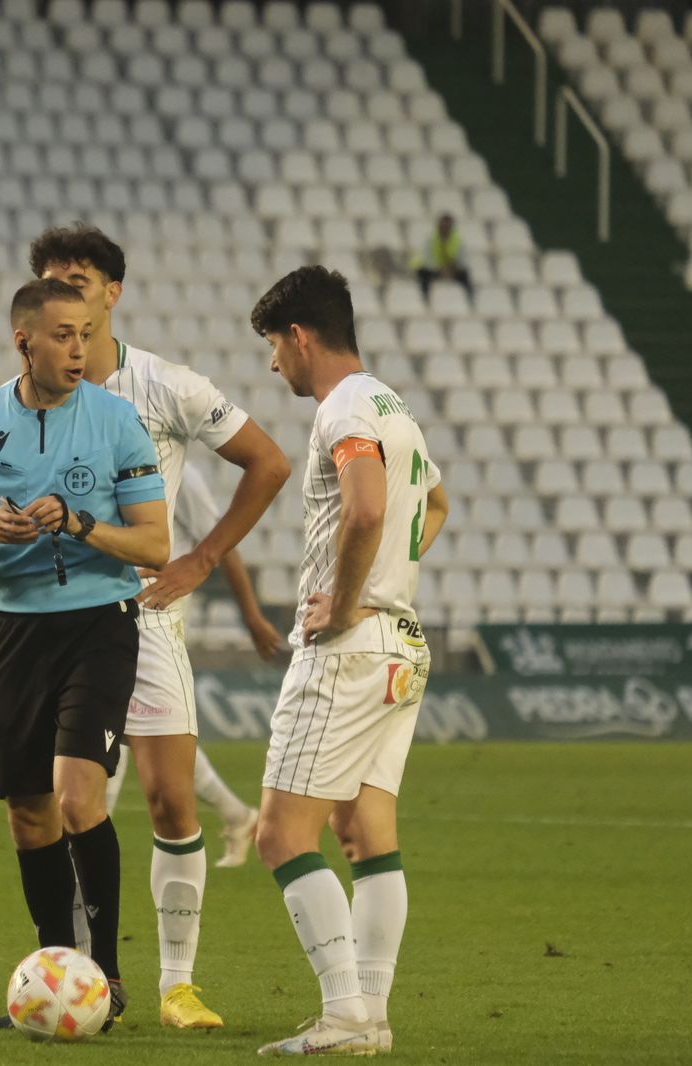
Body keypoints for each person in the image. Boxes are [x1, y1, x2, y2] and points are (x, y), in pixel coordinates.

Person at [31, 224, 290, 1029]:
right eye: (50, 283)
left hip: (143, 621)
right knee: (69, 807)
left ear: (112, 292)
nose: (65, 295)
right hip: (58, 624)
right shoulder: (29, 395)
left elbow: (269, 461)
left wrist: (203, 560)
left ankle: (178, 983)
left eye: (78, 280)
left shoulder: (165, 387)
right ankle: (81, 981)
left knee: (173, 800)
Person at [0, 278, 169, 1033]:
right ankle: (59, 978)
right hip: (17, 631)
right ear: (23, 341)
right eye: (63, 334)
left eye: (87, 333)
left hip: (100, 620)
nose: (79, 348)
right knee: (30, 816)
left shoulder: (117, 419)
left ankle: (110, 978)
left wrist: (84, 524)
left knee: (75, 797)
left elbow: (156, 546)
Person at [248, 266, 449, 1056]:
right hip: (402, 645)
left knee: (280, 836)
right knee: (368, 836)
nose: (273, 364)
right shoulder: (392, 404)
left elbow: (366, 506)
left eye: (273, 346)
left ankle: (345, 1015)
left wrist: (345, 595)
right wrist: (387, 588)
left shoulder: (344, 407)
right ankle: (372, 1016)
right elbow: (435, 504)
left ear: (299, 337)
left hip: (351, 650)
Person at [102, 461, 280, 869]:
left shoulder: (181, 472)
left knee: (123, 720)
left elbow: (220, 543)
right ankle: (237, 815)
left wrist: (252, 618)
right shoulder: (113, 454)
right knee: (153, 731)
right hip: (119, 603)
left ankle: (91, 841)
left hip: (157, 604)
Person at [411, 213, 472, 300]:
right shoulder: (430, 238)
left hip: (451, 269)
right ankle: (425, 298)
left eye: (447, 225)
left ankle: (469, 299)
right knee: (422, 273)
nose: (445, 227)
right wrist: (439, 268)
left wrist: (452, 268)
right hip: (434, 268)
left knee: (465, 274)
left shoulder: (457, 240)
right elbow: (426, 258)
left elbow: (462, 260)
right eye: (443, 224)